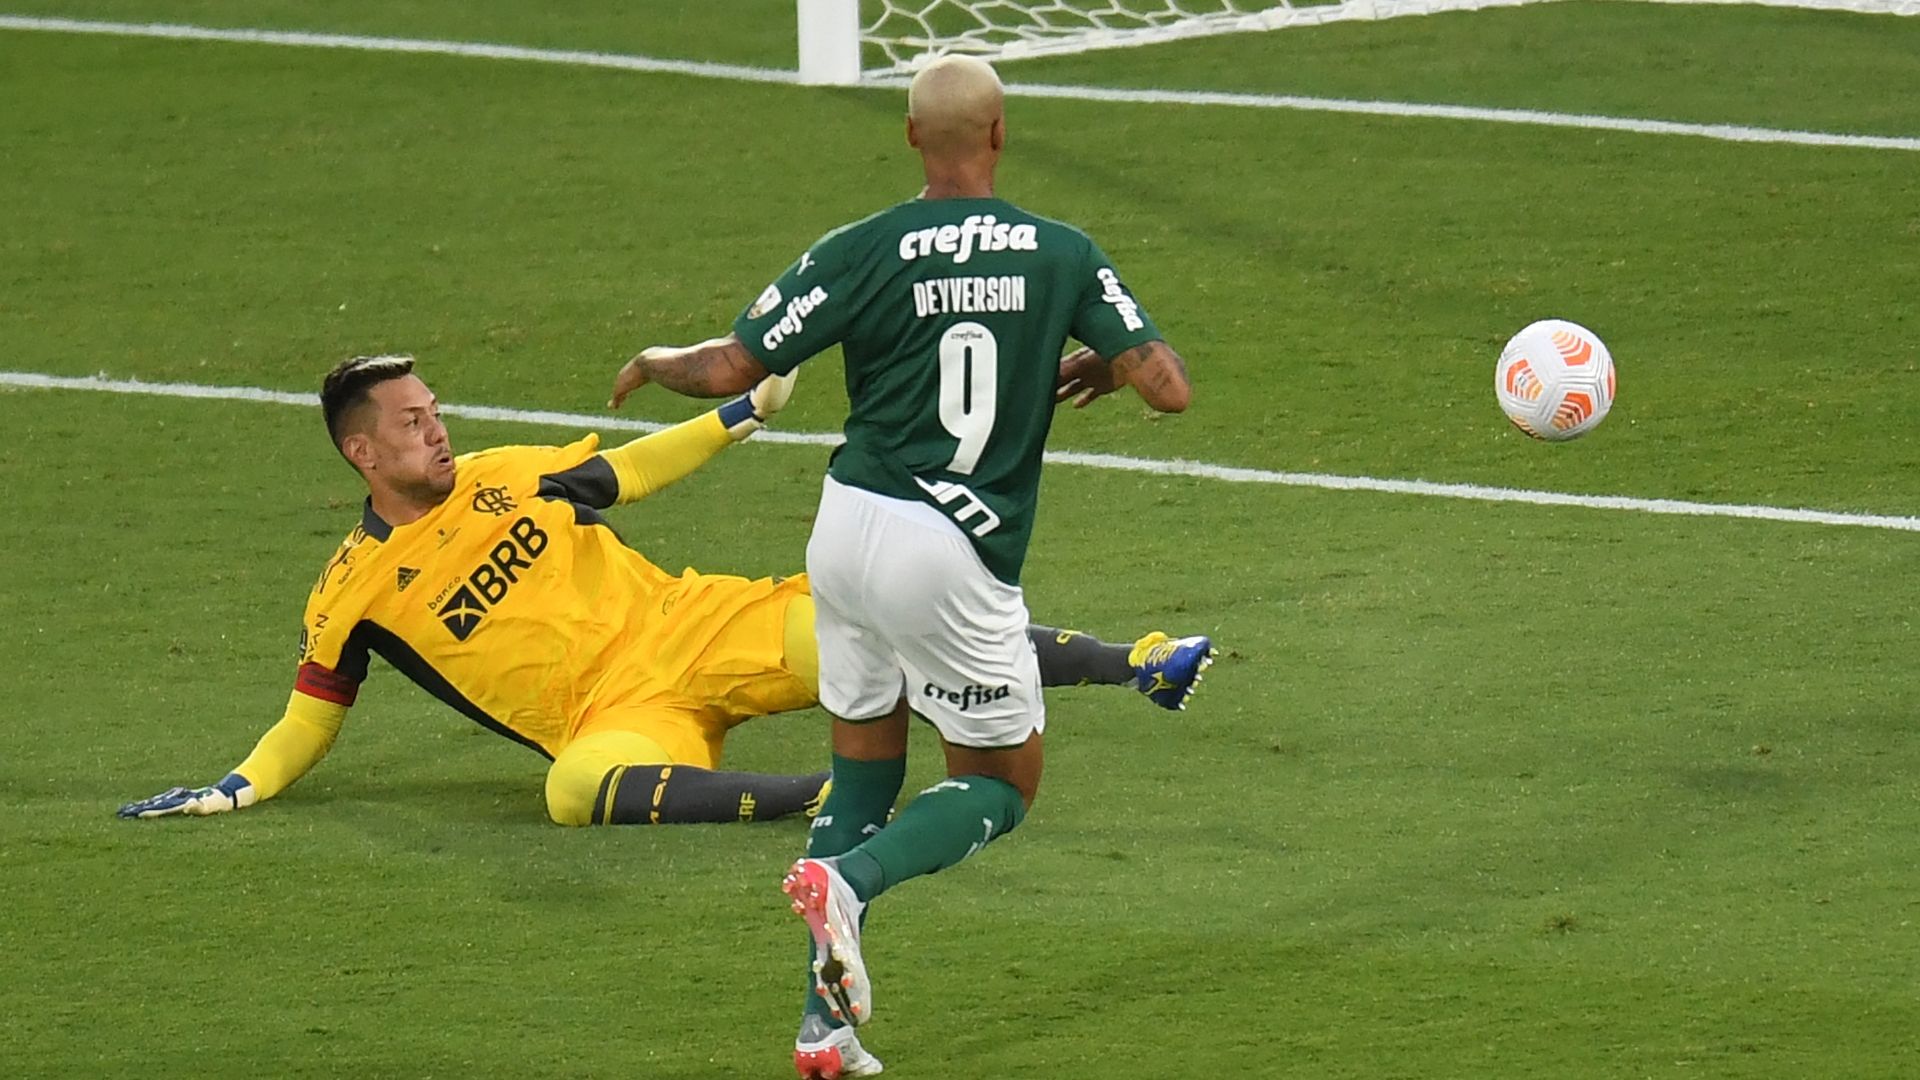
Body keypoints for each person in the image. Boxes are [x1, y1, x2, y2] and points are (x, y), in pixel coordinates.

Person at [609, 54, 1197, 1078]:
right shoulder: (1061, 253)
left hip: (845, 528)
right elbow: (1170, 389)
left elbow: (731, 369)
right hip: (950, 548)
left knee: (863, 772)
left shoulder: (860, 248)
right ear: (1002, 132)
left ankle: (821, 1027)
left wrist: (662, 363)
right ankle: (856, 883)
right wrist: (1107, 355)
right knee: (1002, 782)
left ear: (913, 137)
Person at [118, 356, 1209, 831]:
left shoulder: (504, 474)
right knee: (569, 793)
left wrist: (743, 415)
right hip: (616, 717)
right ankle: (819, 799)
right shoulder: (351, 591)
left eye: (436, 409)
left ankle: (1138, 661)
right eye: (412, 421)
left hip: (697, 624)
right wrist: (238, 784)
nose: (437, 428)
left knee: (898, 626)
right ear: (362, 453)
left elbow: (629, 470)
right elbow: (313, 712)